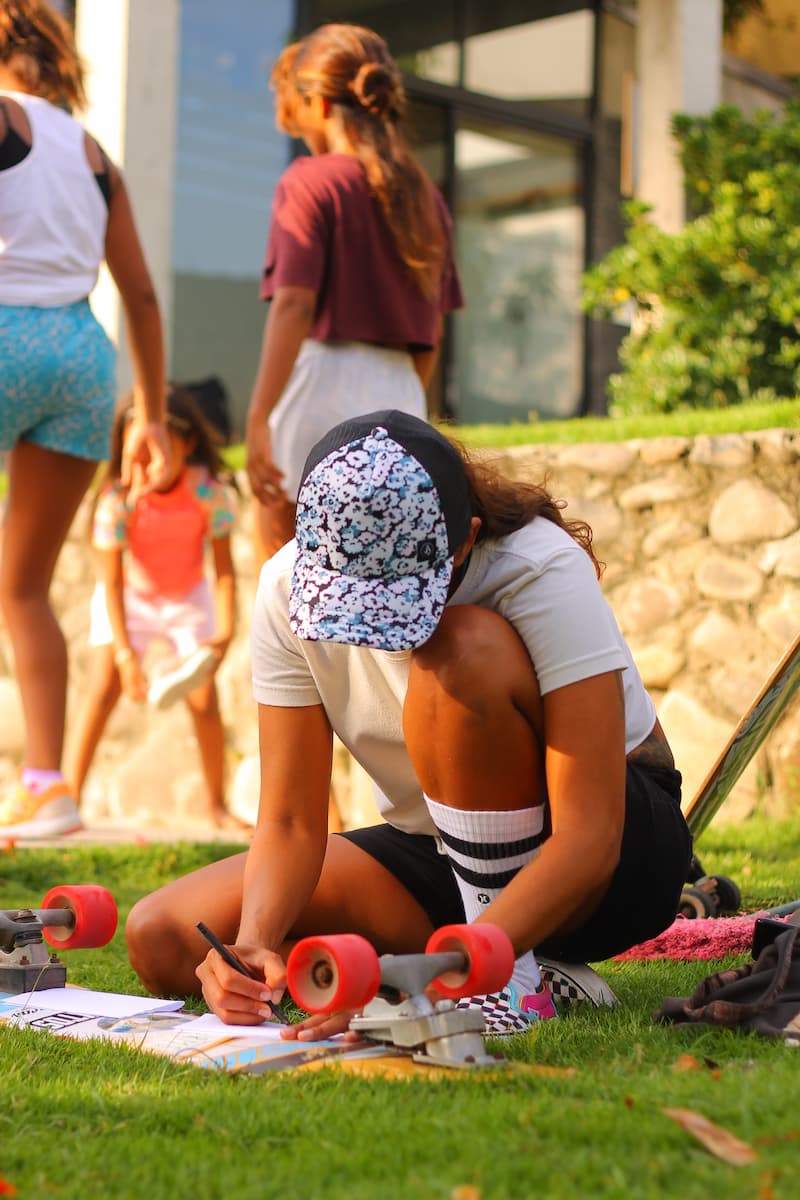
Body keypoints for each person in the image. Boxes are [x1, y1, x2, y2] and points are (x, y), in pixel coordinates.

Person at [126, 410, 693, 1037]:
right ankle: (476, 965)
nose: (373, 632)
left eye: (397, 598)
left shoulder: (537, 567)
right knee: (162, 936)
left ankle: (503, 981)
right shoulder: (286, 585)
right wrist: (253, 944)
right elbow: (289, 821)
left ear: (466, 541)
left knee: (458, 651)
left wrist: (452, 976)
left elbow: (592, 836)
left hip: (610, 862)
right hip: (437, 854)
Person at [0, 0, 170, 838]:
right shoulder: (95, 154)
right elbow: (140, 293)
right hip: (79, 357)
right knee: (23, 586)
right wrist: (154, 418)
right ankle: (48, 786)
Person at [246, 22, 463, 563]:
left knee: (290, 573)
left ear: (318, 104)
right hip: (401, 396)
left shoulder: (310, 180)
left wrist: (258, 417)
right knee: (384, 575)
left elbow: (294, 303)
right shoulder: (426, 198)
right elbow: (432, 334)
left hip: (319, 389)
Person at [64, 387, 245, 832]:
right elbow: (111, 581)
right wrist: (126, 655)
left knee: (204, 700)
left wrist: (224, 630)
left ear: (186, 443)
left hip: (187, 598)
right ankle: (67, 799)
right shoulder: (117, 501)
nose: (145, 466)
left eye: (156, 452)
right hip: (130, 598)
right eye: (136, 454)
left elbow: (223, 572)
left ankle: (216, 805)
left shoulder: (208, 492)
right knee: (102, 689)